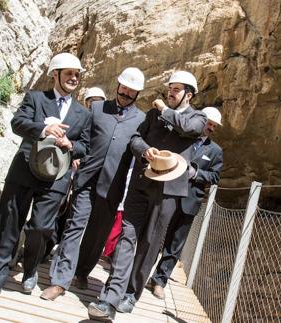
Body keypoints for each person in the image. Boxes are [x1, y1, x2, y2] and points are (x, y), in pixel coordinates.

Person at [87, 71, 207, 321]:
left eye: (176, 89)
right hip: (142, 184)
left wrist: (164, 110)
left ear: (189, 94)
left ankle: (132, 293)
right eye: (170, 88)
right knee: (127, 237)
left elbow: (187, 129)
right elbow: (135, 138)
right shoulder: (153, 115)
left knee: (150, 243)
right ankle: (110, 297)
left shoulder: (198, 117)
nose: (171, 92)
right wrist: (145, 150)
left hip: (169, 191)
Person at [0, 52, 92, 305]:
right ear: (55, 74)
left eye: (77, 74)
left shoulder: (83, 114)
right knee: (9, 225)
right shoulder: (35, 98)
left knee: (41, 227)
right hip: (24, 171)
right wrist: (44, 129)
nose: (74, 78)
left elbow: (85, 146)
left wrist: (70, 143)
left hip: (56, 177)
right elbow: (17, 123)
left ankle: (30, 269)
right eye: (69, 74)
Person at [39, 67, 146, 301]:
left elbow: (138, 146)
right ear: (118, 85)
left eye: (132, 90)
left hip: (113, 186)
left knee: (97, 234)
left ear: (138, 94)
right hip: (86, 179)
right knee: (75, 227)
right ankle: (59, 281)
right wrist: (75, 153)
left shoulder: (141, 120)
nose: (127, 92)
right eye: (124, 87)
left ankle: (82, 271)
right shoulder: (97, 108)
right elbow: (81, 139)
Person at [147, 106, 223, 299]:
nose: (210, 128)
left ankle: (159, 281)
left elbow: (215, 176)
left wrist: (196, 173)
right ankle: (142, 272)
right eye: (208, 123)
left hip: (190, 201)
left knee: (175, 244)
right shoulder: (181, 139)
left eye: (214, 126)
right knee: (156, 233)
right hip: (169, 192)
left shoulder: (215, 151)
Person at [43, 86, 108, 261]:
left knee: (71, 216)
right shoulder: (79, 119)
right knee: (58, 210)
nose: (95, 105)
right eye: (91, 102)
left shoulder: (105, 126)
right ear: (87, 103)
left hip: (86, 175)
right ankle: (45, 248)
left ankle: (58, 250)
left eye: (98, 102)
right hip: (68, 170)